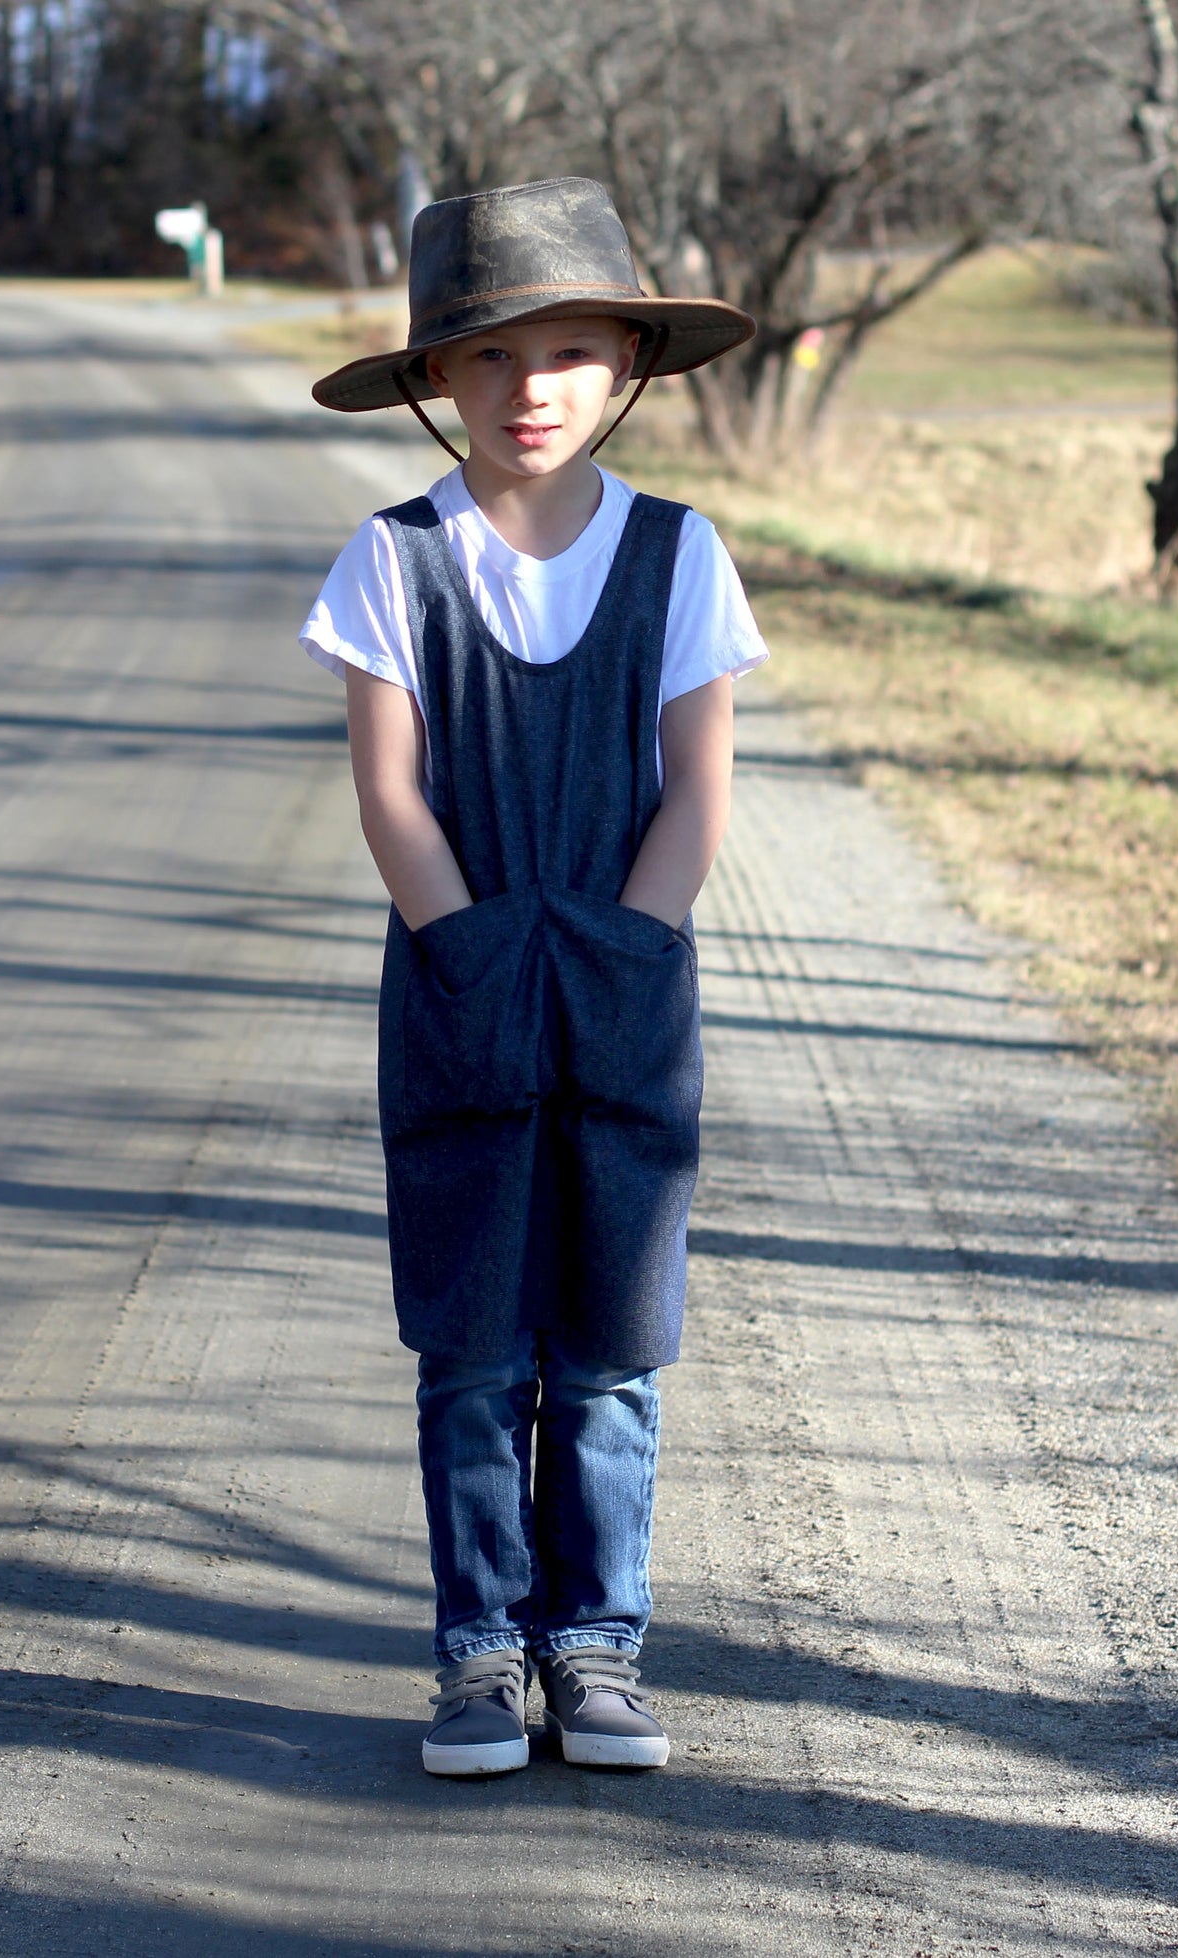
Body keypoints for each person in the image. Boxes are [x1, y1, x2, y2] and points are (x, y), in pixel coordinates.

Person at [300, 176, 766, 1776]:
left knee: (614, 1340)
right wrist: (468, 946)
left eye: (568, 350)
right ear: (439, 378)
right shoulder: (393, 558)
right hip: (460, 981)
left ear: (628, 358)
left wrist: (631, 945)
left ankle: (599, 1646)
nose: (531, 389)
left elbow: (696, 785)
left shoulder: (678, 553)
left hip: (631, 982)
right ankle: (481, 1650)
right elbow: (389, 790)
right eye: (492, 357)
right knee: (477, 1342)